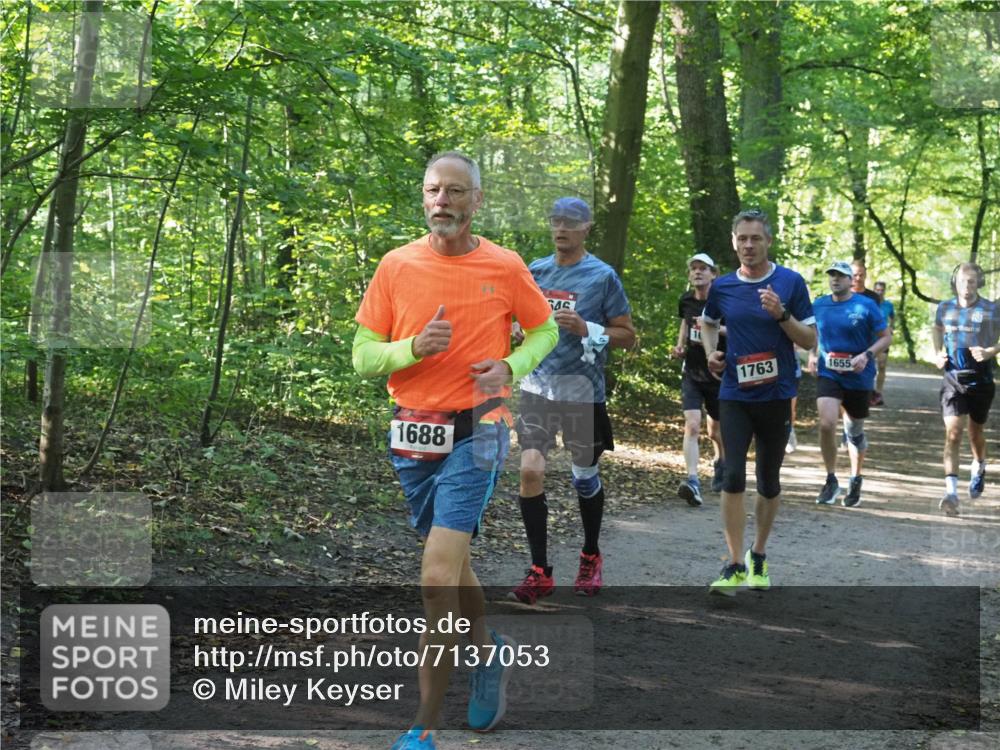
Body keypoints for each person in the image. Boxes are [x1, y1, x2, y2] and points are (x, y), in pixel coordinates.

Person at [352, 151, 558, 750]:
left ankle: (423, 726)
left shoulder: (505, 265)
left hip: (480, 428)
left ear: (476, 200)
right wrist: (411, 347)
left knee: (438, 575)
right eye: (433, 191)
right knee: (455, 563)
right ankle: (488, 650)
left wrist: (511, 365)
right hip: (411, 432)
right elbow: (364, 356)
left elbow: (543, 328)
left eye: (455, 192)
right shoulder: (396, 266)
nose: (442, 200)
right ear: (424, 198)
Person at [509, 197, 636, 604]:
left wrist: (587, 327)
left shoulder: (602, 277)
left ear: (586, 228)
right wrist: (514, 330)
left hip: (583, 392)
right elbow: (516, 319)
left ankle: (590, 554)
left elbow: (627, 335)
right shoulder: (536, 271)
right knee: (530, 471)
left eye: (570, 222)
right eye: (555, 220)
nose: (561, 228)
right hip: (538, 388)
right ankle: (540, 570)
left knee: (584, 478)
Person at [700, 208, 816, 596]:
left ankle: (758, 554)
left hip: (777, 394)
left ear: (768, 241)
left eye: (756, 238)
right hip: (734, 393)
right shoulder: (723, 287)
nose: (749, 245)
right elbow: (708, 321)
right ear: (734, 243)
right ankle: (733, 564)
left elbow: (809, 341)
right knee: (732, 475)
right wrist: (712, 353)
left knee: (768, 481)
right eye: (742, 239)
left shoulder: (791, 282)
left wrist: (781, 314)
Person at [809, 261, 892, 508]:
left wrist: (866, 355)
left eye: (840, 276)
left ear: (850, 280)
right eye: (832, 275)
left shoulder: (866, 305)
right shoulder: (819, 304)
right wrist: (813, 355)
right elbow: (814, 334)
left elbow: (886, 337)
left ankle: (855, 478)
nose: (835, 280)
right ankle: (831, 478)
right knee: (826, 424)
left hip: (859, 375)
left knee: (854, 431)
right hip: (829, 372)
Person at [933, 262, 999, 517]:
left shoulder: (991, 310)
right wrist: (938, 352)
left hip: (981, 382)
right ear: (955, 283)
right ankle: (951, 494)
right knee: (953, 433)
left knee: (975, 434)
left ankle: (979, 465)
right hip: (952, 379)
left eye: (972, 282)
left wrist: (990, 351)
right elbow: (937, 329)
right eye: (962, 281)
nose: (967, 287)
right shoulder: (945, 307)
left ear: (978, 284)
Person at [672, 253, 726, 505]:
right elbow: (685, 323)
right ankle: (692, 479)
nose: (697, 273)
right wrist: (679, 345)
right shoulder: (685, 299)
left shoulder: (724, 301)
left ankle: (721, 461)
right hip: (692, 372)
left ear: (713, 274)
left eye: (703, 268)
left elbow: (736, 328)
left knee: (716, 431)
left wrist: (711, 326)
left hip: (718, 373)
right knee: (692, 425)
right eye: (693, 269)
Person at [871, 281, 896, 406]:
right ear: (874, 290)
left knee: (881, 365)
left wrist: (891, 328)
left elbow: (892, 317)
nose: (879, 292)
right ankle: (868, 392)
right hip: (870, 340)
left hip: (883, 339)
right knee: (868, 365)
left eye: (882, 290)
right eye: (877, 290)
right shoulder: (869, 303)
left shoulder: (888, 305)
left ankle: (878, 393)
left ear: (884, 291)